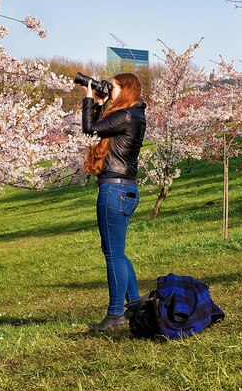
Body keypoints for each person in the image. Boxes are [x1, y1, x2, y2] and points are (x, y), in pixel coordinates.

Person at [81, 72, 146, 331]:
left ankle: (116, 314)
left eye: (115, 87)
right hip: (125, 189)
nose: (110, 90)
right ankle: (134, 306)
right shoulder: (133, 115)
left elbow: (89, 130)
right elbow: (98, 132)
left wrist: (89, 100)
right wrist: (99, 102)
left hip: (114, 191)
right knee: (117, 252)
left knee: (113, 254)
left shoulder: (128, 115)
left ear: (127, 89)